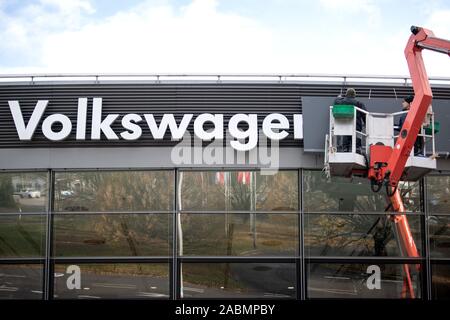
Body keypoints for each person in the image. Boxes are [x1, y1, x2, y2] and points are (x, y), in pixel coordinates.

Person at [333, 88, 367, 153]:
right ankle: (357, 149)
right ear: (354, 95)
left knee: (345, 138)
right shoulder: (358, 103)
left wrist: (339, 97)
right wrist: (366, 124)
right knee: (357, 141)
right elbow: (365, 115)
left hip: (345, 125)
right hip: (356, 126)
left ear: (346, 94)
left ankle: (345, 148)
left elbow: (336, 101)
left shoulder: (341, 101)